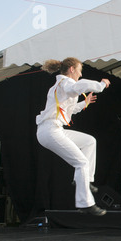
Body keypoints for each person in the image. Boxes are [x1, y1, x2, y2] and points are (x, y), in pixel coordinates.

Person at [36, 57, 111, 216]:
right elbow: (79, 86)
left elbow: (68, 110)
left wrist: (85, 103)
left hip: (53, 129)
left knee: (90, 141)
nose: (80, 74)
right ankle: (85, 204)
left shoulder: (61, 86)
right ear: (71, 70)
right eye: (79, 70)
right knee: (81, 162)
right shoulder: (65, 83)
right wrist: (101, 85)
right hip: (50, 130)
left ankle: (85, 180)